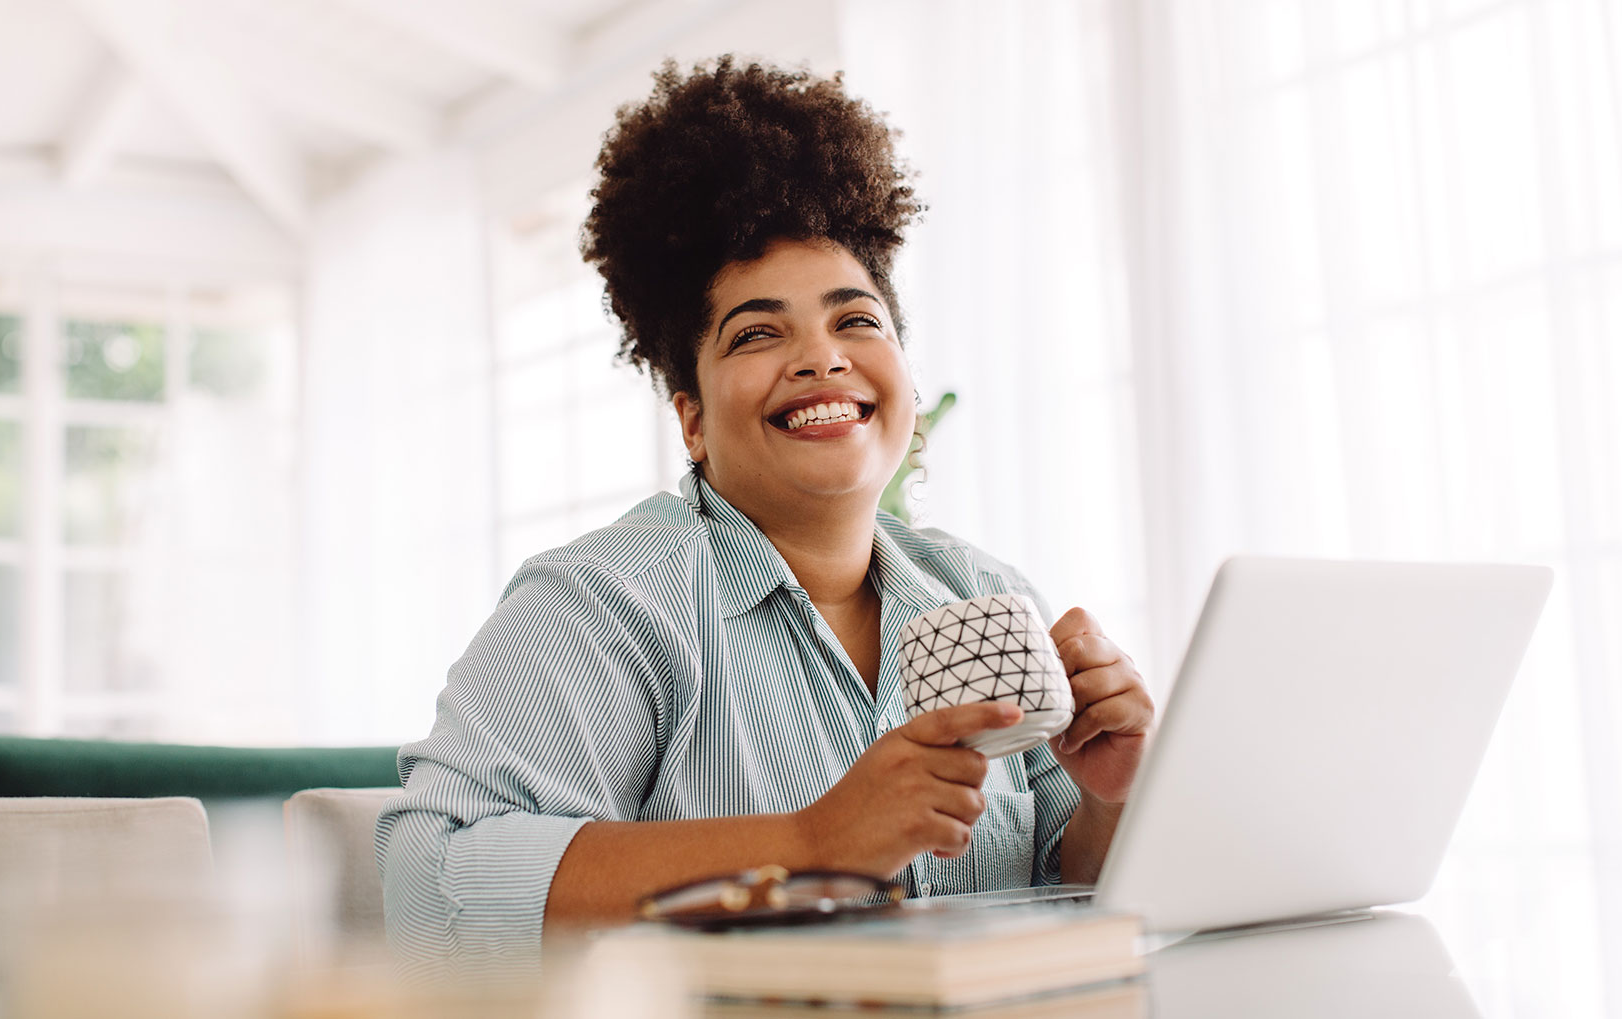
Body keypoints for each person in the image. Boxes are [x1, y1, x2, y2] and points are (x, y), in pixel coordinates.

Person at [375, 56, 1155, 973]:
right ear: (692, 419)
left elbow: (1067, 896)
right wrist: (812, 841)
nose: (822, 359)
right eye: (757, 332)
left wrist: (1109, 797)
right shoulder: (603, 603)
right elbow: (429, 888)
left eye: (855, 320)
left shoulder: (984, 594)